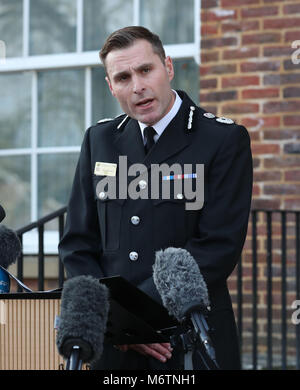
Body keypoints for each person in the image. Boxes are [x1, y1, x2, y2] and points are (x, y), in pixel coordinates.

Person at [58, 26, 253, 370]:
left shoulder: (222, 139)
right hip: (115, 345)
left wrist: (137, 319)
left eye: (146, 70)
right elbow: (78, 244)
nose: (137, 87)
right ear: (110, 86)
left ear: (168, 67)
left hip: (188, 340)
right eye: (122, 77)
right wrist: (120, 326)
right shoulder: (100, 140)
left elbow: (217, 247)